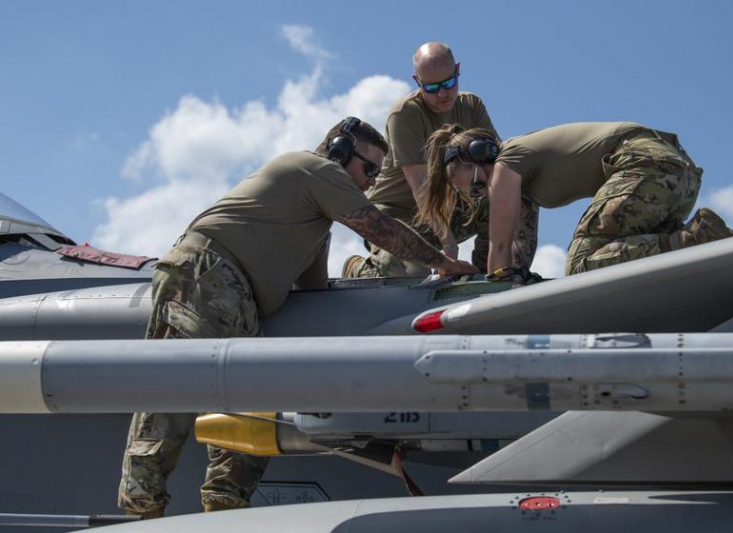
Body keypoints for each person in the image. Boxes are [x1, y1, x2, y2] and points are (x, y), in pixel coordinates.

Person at [118, 117, 477, 519]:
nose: (373, 181)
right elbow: (376, 226)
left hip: (237, 298)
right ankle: (141, 512)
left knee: (249, 412)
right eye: (370, 169)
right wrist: (439, 262)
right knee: (173, 395)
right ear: (340, 152)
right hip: (207, 276)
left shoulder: (312, 225)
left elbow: (314, 293)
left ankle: (224, 509)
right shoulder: (314, 169)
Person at [417, 122, 733, 282]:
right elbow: (517, 259)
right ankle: (693, 245)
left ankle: (699, 238)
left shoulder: (506, 164)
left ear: (480, 157)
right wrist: (473, 274)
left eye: (477, 184)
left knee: (581, 261)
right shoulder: (524, 186)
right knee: (621, 259)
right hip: (677, 177)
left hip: (646, 166)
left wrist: (485, 302)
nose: (485, 193)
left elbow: (499, 252)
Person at [343, 41, 498, 278]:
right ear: (417, 82)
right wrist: (449, 250)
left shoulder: (472, 107)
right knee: (405, 273)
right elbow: (422, 189)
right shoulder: (405, 114)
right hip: (395, 216)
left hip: (446, 209)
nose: (443, 94)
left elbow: (498, 169)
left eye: (448, 83)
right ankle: (359, 268)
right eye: (432, 87)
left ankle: (485, 274)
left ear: (458, 70)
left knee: (504, 191)